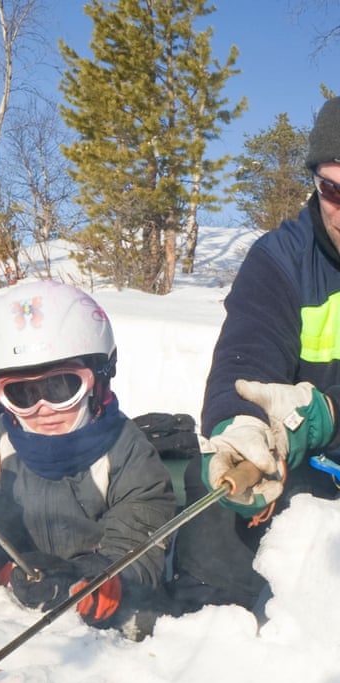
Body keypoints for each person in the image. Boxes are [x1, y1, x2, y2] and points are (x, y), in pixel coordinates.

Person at [177, 97, 340, 614]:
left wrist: (326, 412)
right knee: (211, 483)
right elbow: (245, 354)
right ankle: (216, 629)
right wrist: (241, 423)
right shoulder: (279, 260)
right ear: (316, 183)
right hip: (312, 468)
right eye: (335, 189)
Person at [0, 281, 178, 639]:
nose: (43, 408)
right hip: (20, 613)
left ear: (98, 382)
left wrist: (100, 578)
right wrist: (10, 572)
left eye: (62, 387)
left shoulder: (128, 453)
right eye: (22, 394)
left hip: (105, 611)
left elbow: (138, 544)